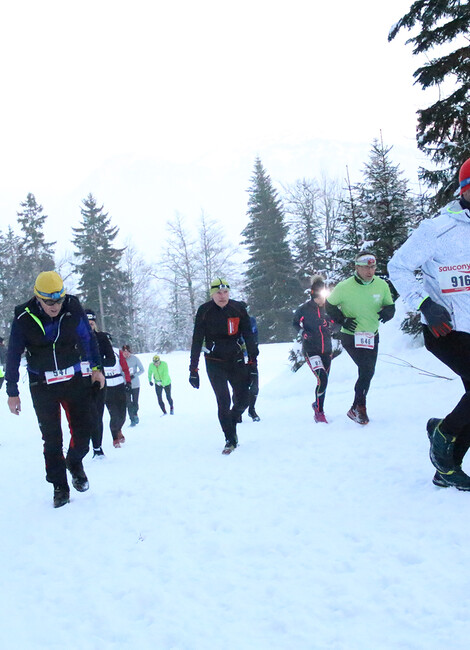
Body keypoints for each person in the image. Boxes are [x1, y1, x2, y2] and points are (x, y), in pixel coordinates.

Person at [388, 157, 470, 490]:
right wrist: (424, 303)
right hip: (446, 329)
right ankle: (443, 434)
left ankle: (447, 467)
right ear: (465, 189)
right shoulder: (438, 229)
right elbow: (399, 267)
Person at [5, 271, 105, 508]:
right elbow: (12, 353)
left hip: (73, 379)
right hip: (42, 383)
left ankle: (74, 462)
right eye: (49, 302)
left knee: (84, 431)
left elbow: (87, 338)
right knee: (52, 439)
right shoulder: (23, 316)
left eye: (59, 300)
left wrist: (96, 367)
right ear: (37, 298)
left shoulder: (72, 307)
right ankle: (59, 486)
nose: (55, 306)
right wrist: (12, 391)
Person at [189, 277, 258, 454]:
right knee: (223, 401)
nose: (222, 296)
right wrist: (193, 369)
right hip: (214, 362)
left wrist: (252, 361)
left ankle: (232, 420)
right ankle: (229, 438)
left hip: (235, 359)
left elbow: (249, 336)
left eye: (225, 292)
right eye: (218, 292)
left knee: (243, 399)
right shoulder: (204, 311)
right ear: (212, 294)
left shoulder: (237, 308)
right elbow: (197, 340)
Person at [326, 252, 395, 424]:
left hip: (372, 335)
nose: (370, 271)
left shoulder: (381, 284)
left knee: (367, 371)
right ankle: (360, 408)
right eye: (365, 267)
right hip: (351, 336)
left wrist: (389, 312)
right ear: (357, 267)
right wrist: (342, 320)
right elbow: (329, 305)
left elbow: (389, 305)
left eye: (372, 267)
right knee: (366, 369)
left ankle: (355, 407)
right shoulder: (344, 287)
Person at [293, 275, 335, 423]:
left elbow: (337, 323)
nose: (321, 300)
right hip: (311, 350)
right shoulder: (304, 309)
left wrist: (331, 326)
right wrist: (303, 332)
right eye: (318, 297)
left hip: (327, 350)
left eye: (323, 296)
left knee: (324, 381)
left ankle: (317, 404)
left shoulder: (329, 307)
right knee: (322, 378)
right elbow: (295, 324)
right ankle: (319, 412)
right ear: (312, 295)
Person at [84, 309, 115, 457]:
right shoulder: (75, 338)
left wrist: (97, 363)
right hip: (80, 382)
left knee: (97, 415)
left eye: (91, 323)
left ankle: (97, 447)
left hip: (99, 381)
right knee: (84, 416)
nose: (89, 326)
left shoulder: (101, 338)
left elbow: (111, 360)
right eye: (86, 323)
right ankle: (83, 447)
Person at [104, 346, 132, 448]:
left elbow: (125, 368)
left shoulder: (117, 352)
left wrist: (128, 382)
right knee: (113, 413)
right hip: (106, 386)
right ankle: (115, 438)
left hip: (119, 384)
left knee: (122, 413)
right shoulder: (97, 351)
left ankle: (119, 429)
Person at [238, 301, 261, 421]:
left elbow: (255, 335)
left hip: (252, 358)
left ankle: (252, 410)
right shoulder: (235, 322)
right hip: (238, 359)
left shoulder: (251, 320)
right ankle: (239, 412)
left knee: (255, 386)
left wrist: (255, 348)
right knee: (239, 387)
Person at [122, 344, 145, 425]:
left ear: (130, 352)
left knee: (135, 402)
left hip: (135, 384)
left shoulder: (134, 359)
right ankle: (132, 419)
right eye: (124, 352)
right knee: (128, 403)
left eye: (127, 352)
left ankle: (135, 414)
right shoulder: (120, 360)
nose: (126, 354)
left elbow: (142, 370)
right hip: (125, 384)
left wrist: (134, 375)